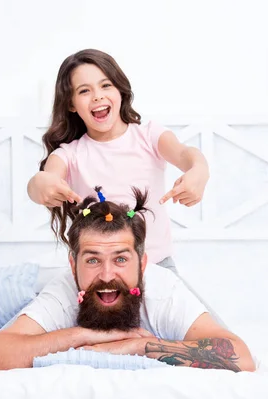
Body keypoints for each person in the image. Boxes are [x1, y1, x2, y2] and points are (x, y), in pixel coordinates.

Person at [0, 188, 255, 372]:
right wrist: (86, 336)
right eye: (92, 260)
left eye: (120, 259)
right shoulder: (64, 289)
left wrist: (141, 346)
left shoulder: (162, 289)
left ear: (142, 264)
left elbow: (240, 356)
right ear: (73, 265)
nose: (106, 276)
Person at [26, 48, 210, 275]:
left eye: (105, 85)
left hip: (156, 266)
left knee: (200, 312)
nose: (97, 96)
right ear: (71, 104)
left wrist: (199, 170)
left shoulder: (149, 136)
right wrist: (41, 184)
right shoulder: (69, 154)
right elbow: (44, 180)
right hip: (97, 273)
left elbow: (185, 154)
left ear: (120, 90)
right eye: (84, 91)